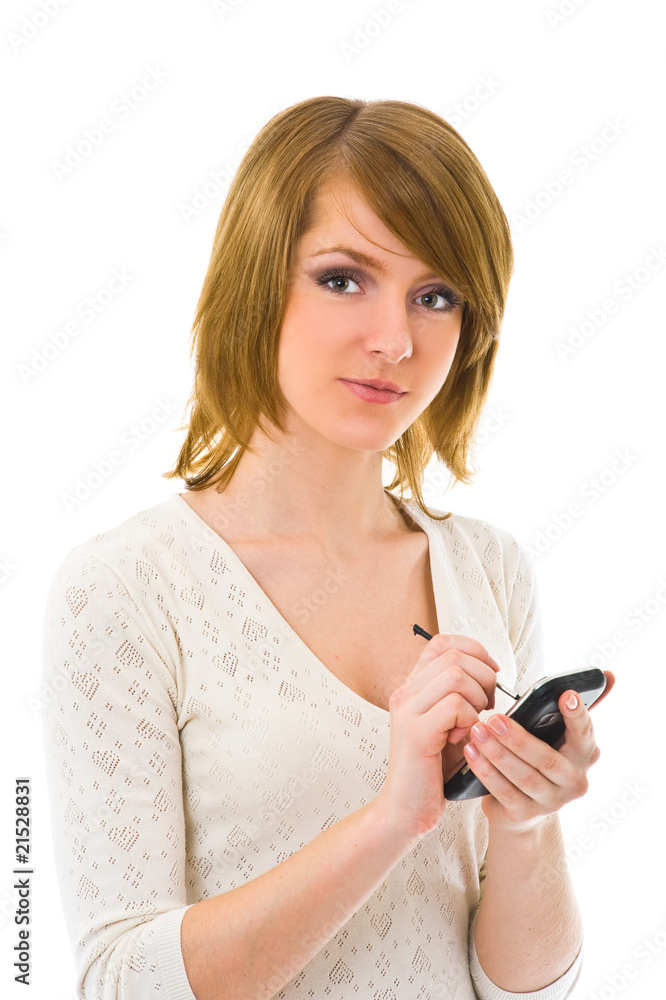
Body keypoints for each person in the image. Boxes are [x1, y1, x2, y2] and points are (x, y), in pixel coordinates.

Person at [41, 95, 613, 1000]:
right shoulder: (125, 589)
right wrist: (393, 818)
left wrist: (524, 821)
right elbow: (118, 981)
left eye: (435, 296)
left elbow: (525, 988)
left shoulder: (490, 570)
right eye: (344, 278)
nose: (394, 341)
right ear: (258, 282)